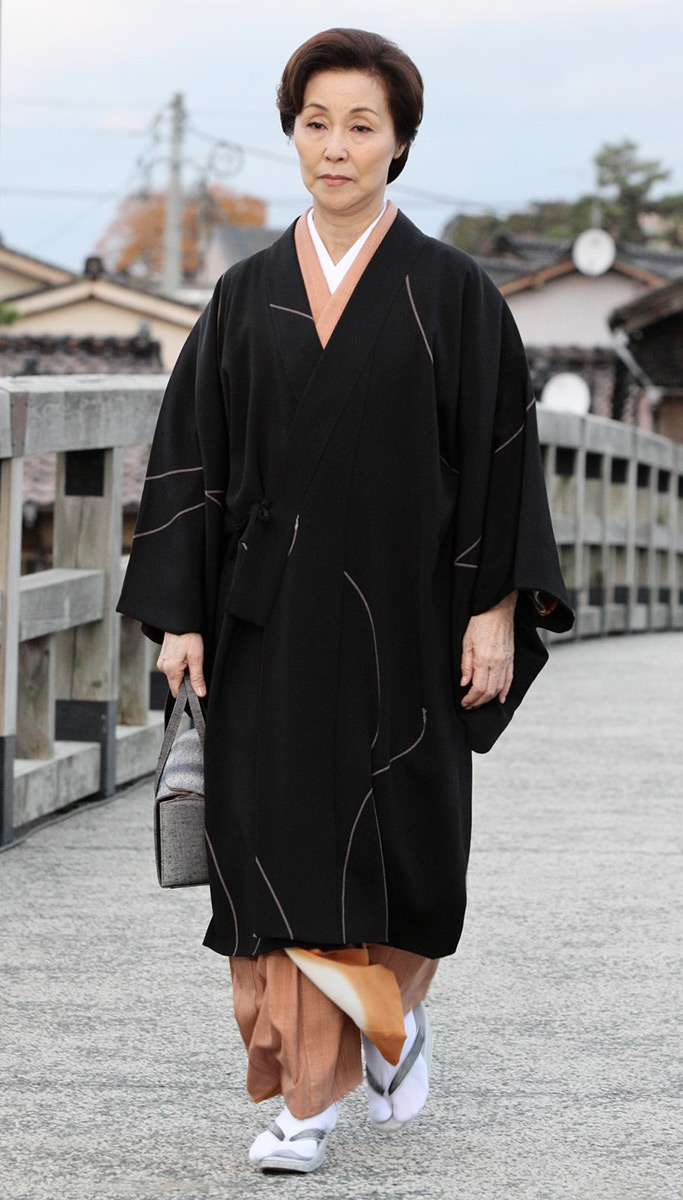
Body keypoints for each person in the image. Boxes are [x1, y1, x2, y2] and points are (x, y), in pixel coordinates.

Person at [118, 27, 573, 1174]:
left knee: (404, 852)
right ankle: (307, 1101)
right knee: (272, 856)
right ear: (292, 135)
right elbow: (190, 456)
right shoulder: (244, 294)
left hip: (404, 624)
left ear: (398, 142)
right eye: (315, 123)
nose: (335, 146)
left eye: (360, 125)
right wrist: (180, 614)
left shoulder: (452, 294)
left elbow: (501, 458)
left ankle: (390, 1017)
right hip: (264, 625)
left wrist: (493, 610)